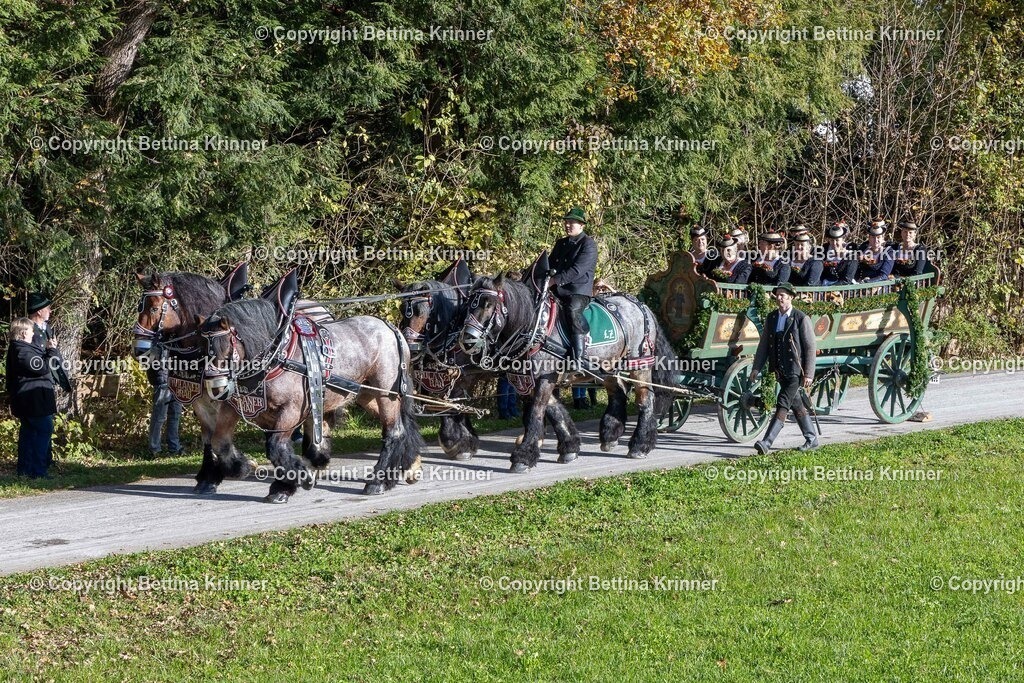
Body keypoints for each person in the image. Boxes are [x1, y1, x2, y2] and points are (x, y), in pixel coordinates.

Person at [749, 283, 818, 453]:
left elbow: (810, 347)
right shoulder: (772, 317)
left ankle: (766, 443)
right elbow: (764, 345)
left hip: (796, 370)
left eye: (783, 295)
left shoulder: (801, 318)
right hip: (780, 370)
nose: (779, 298)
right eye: (777, 295)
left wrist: (809, 374)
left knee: (783, 403)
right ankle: (812, 439)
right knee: (796, 403)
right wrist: (756, 368)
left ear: (791, 298)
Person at [6, 317, 58, 478]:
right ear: (23, 333)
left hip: (31, 400)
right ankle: (38, 471)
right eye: (30, 330)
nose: (33, 333)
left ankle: (25, 470)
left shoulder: (23, 348)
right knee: (43, 430)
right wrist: (52, 351)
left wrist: (47, 350)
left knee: (29, 434)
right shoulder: (21, 351)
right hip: (32, 401)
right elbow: (41, 367)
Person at [548, 206, 599, 370]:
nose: (568, 225)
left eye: (572, 222)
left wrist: (554, 281)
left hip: (578, 291)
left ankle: (578, 358)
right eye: (566, 222)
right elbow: (548, 264)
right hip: (556, 290)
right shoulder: (560, 243)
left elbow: (577, 270)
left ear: (581, 225)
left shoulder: (588, 245)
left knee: (572, 310)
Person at [146, 353, 183, 457]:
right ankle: (154, 449)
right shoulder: (155, 343)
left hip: (176, 380)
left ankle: (174, 447)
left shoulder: (176, 343)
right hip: (162, 380)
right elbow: (150, 360)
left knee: (175, 415)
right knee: (159, 416)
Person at [855, 218, 895, 283]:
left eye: (878, 237)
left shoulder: (888, 252)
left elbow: (884, 275)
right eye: (873, 237)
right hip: (860, 282)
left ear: (882, 237)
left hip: (878, 284)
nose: (876, 240)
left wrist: (867, 282)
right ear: (869, 238)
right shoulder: (864, 248)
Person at [820, 221, 857, 286]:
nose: (834, 243)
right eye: (832, 240)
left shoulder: (851, 256)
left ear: (842, 240)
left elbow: (847, 280)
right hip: (825, 283)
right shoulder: (824, 251)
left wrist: (830, 288)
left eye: (837, 240)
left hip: (843, 287)